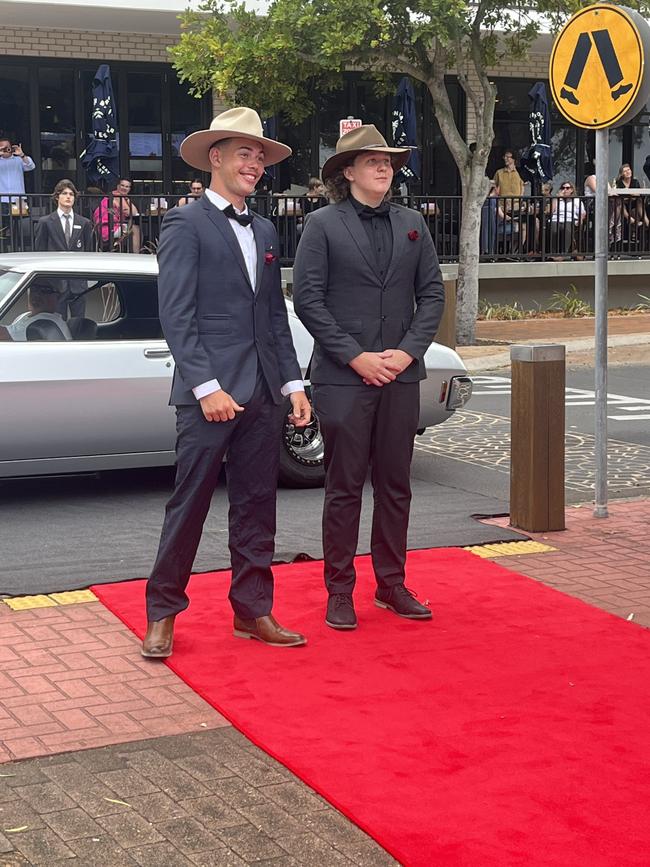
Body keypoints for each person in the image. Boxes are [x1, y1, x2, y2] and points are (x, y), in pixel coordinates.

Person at [142, 107, 311, 658]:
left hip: (263, 392)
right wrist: (206, 387)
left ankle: (253, 610)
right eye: (245, 153)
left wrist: (293, 386)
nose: (255, 164)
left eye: (260, 156)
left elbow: (272, 318)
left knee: (258, 503)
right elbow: (177, 316)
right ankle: (163, 612)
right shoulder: (183, 222)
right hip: (207, 397)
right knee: (189, 504)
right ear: (215, 158)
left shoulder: (263, 228)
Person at [292, 124, 444, 631]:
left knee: (396, 483)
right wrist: (357, 357)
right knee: (344, 485)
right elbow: (308, 300)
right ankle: (339, 589)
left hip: (401, 376)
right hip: (344, 377)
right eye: (373, 161)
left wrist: (404, 354)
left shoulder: (413, 223)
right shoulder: (322, 224)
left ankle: (391, 583)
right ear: (348, 171)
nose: (384, 168)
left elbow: (433, 296)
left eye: (389, 162)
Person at [34, 179, 94, 317]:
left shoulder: (84, 222)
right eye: (64, 193)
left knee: (79, 324)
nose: (68, 197)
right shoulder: (45, 222)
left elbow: (88, 251)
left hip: (78, 283)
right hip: (55, 284)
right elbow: (40, 252)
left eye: (71, 194)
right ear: (57, 196)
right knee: (57, 323)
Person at [6, 280, 72, 341]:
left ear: (57, 297)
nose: (36, 294)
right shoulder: (24, 315)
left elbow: (6, 338)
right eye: (34, 288)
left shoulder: (48, 323)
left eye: (45, 290)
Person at [93, 177, 141, 252]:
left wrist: (127, 199)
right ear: (118, 186)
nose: (124, 188)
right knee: (135, 229)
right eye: (122, 185)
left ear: (129, 189)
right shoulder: (117, 197)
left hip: (109, 226)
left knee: (132, 228)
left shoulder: (117, 196)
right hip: (108, 228)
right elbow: (132, 213)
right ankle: (137, 255)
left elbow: (135, 212)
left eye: (127, 186)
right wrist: (126, 199)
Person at [550, 181, 586, 258]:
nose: (565, 190)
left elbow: (582, 212)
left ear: (572, 190)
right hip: (556, 219)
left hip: (570, 219)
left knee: (566, 228)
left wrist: (580, 220)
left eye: (567, 188)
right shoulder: (557, 200)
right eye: (563, 188)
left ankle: (564, 253)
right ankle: (553, 253)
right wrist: (557, 198)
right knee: (553, 229)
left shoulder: (576, 200)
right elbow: (551, 211)